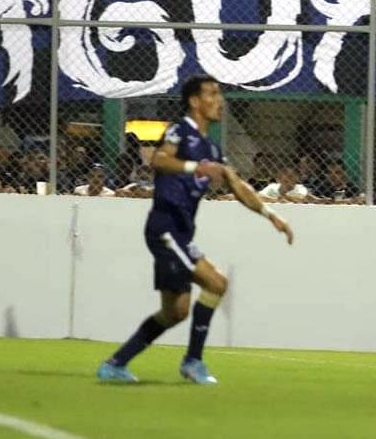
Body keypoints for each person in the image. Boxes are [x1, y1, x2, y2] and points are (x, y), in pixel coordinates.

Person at [98, 75, 293, 385]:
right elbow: (160, 160)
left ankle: (115, 363)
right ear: (194, 101)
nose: (220, 101)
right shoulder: (180, 131)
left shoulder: (212, 149)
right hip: (166, 227)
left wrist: (270, 214)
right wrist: (195, 168)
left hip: (180, 233)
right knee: (216, 283)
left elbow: (236, 184)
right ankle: (193, 362)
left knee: (175, 312)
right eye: (213, 94)